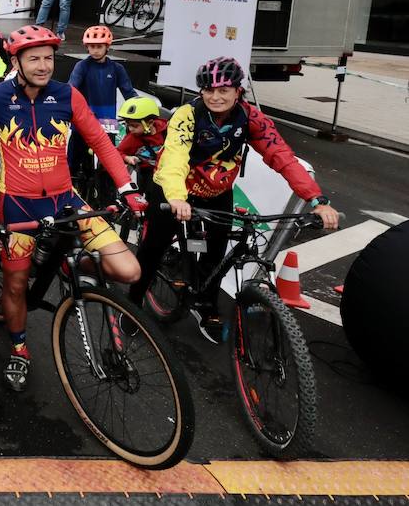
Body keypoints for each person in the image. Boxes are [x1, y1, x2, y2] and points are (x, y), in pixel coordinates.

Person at [0, 26, 146, 393]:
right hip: (18, 206)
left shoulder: (68, 95)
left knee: (127, 269)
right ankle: (20, 348)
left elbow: (99, 140)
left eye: (49, 58)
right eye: (33, 58)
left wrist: (127, 187)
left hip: (67, 200)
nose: (43, 65)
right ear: (16, 61)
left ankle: (67, 261)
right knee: (16, 285)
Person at [143, 57, 338, 342]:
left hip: (216, 194)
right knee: (151, 252)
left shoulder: (250, 118)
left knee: (215, 254)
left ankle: (205, 305)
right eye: (209, 90)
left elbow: (282, 157)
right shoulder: (187, 114)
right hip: (173, 192)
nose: (215, 97)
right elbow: (174, 158)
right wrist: (175, 197)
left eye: (224, 90)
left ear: (238, 91)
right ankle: (131, 305)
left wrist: (316, 199)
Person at [68, 25, 138, 187]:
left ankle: (108, 194)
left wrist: (143, 110)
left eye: (99, 46)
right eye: (92, 47)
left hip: (107, 122)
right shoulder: (82, 66)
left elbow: (129, 93)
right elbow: (71, 88)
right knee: (73, 161)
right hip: (84, 122)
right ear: (87, 47)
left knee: (109, 163)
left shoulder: (116, 68)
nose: (95, 51)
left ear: (108, 46)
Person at [116, 96, 167, 208]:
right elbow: (117, 152)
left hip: (167, 172)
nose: (131, 129)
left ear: (150, 122)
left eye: (134, 125)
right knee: (152, 201)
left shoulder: (167, 130)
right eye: (128, 124)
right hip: (148, 173)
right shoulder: (133, 138)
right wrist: (127, 158)